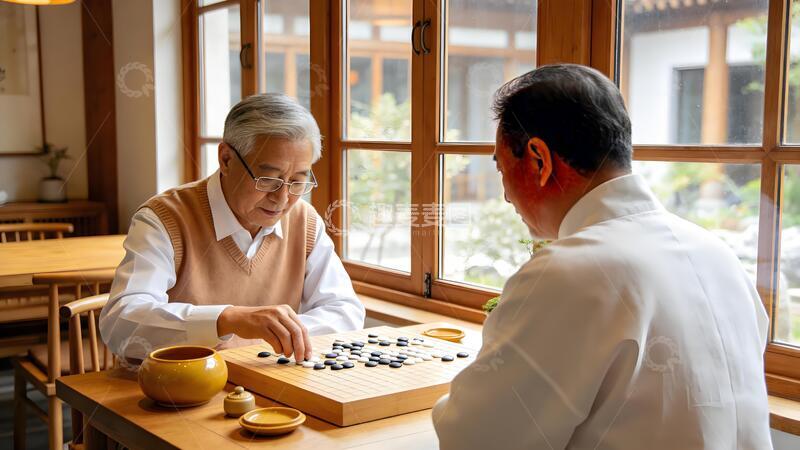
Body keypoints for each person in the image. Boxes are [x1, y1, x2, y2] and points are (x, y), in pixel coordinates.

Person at [432, 64, 772, 449]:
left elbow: (477, 439)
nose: (505, 193)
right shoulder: (718, 254)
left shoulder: (568, 272)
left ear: (539, 159)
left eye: (500, 166)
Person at [100, 93, 365, 362]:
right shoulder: (164, 218)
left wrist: (278, 332)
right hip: (171, 391)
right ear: (226, 159)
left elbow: (345, 311)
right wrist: (226, 320)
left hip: (264, 386)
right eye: (268, 179)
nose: (282, 199)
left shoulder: (304, 221)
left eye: (297, 181)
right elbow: (121, 324)